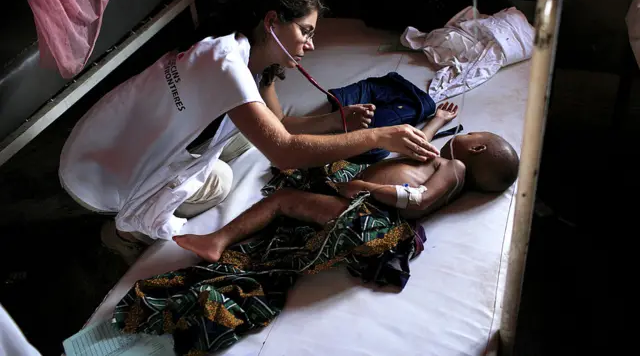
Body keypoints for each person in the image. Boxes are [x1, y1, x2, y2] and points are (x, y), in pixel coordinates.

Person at [58, 0, 439, 263]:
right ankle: (120, 235)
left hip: (121, 138)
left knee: (244, 138)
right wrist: (378, 136)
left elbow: (281, 125)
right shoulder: (224, 62)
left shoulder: (253, 61)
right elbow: (285, 151)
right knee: (222, 180)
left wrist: (338, 122)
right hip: (101, 174)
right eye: (305, 31)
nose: (310, 44)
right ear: (272, 21)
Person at [173, 103, 521, 262]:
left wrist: (368, 189)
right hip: (360, 200)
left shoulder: (455, 167)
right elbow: (421, 145)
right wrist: (437, 118)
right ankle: (225, 237)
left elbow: (419, 200)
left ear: (475, 147)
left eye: (472, 133)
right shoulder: (440, 161)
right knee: (298, 192)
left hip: (366, 214)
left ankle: (216, 241)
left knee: (283, 199)